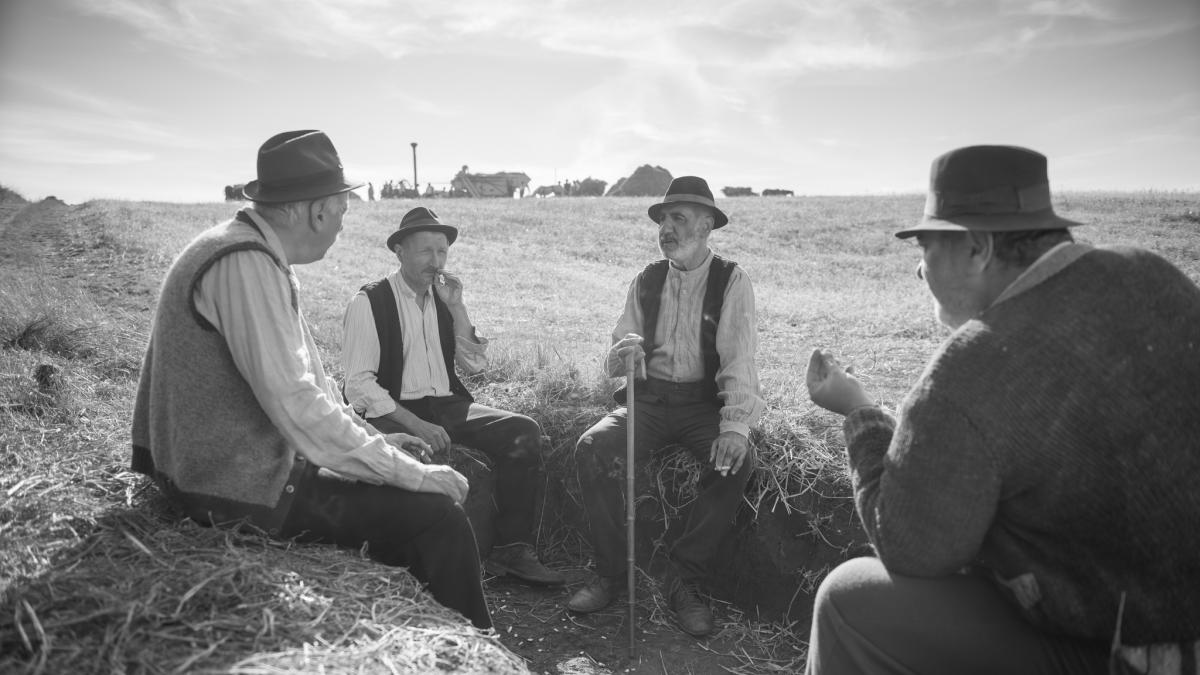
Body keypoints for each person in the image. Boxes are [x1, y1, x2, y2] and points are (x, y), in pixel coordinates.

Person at [804, 145, 1200, 674]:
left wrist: (859, 413)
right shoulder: (1156, 275)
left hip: (1125, 655)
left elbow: (912, 544)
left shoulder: (975, 363)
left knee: (848, 601)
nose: (920, 272)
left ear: (978, 247)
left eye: (926, 247)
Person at [131, 130, 492, 630]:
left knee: (405, 490)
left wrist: (379, 440)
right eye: (343, 209)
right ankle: (473, 648)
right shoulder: (243, 263)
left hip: (235, 465)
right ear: (318, 210)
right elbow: (297, 403)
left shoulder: (251, 253)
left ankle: (415, 634)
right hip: (232, 481)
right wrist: (416, 475)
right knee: (438, 515)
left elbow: (317, 392)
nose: (343, 222)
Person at [566, 176, 766, 637]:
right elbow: (617, 354)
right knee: (591, 447)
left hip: (701, 407)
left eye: (678, 218)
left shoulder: (732, 281)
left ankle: (684, 581)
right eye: (663, 219)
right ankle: (612, 574)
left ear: (707, 225)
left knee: (737, 463)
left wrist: (735, 426)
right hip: (649, 402)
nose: (666, 228)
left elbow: (739, 357)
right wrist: (621, 358)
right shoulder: (647, 279)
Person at [341, 206, 565, 587]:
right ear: (400, 251)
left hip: (448, 405)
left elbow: (475, 366)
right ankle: (411, 567)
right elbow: (358, 385)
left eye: (442, 251)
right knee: (412, 456)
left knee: (523, 431)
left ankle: (512, 551)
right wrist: (414, 424)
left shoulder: (444, 301)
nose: (436, 261)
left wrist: (457, 305)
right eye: (426, 251)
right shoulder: (370, 302)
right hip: (395, 410)